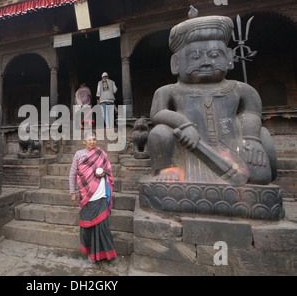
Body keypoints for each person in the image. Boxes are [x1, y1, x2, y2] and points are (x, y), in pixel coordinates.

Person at [148, 15, 276, 186]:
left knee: (260, 176)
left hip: (233, 144)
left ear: (229, 58)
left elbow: (251, 112)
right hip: (186, 146)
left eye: (215, 55)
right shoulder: (168, 91)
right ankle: (168, 168)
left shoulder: (241, 89)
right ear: (176, 63)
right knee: (159, 132)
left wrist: (251, 138)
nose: (206, 62)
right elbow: (157, 113)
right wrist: (184, 124)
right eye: (195, 57)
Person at [69, 131, 117, 262]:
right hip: (86, 196)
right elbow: (72, 174)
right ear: (84, 141)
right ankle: (91, 253)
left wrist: (103, 174)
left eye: (94, 139)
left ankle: (104, 254)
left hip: (100, 194)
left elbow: (108, 171)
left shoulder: (101, 154)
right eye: (89, 139)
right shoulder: (79, 155)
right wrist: (72, 192)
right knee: (86, 227)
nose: (92, 141)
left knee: (103, 226)